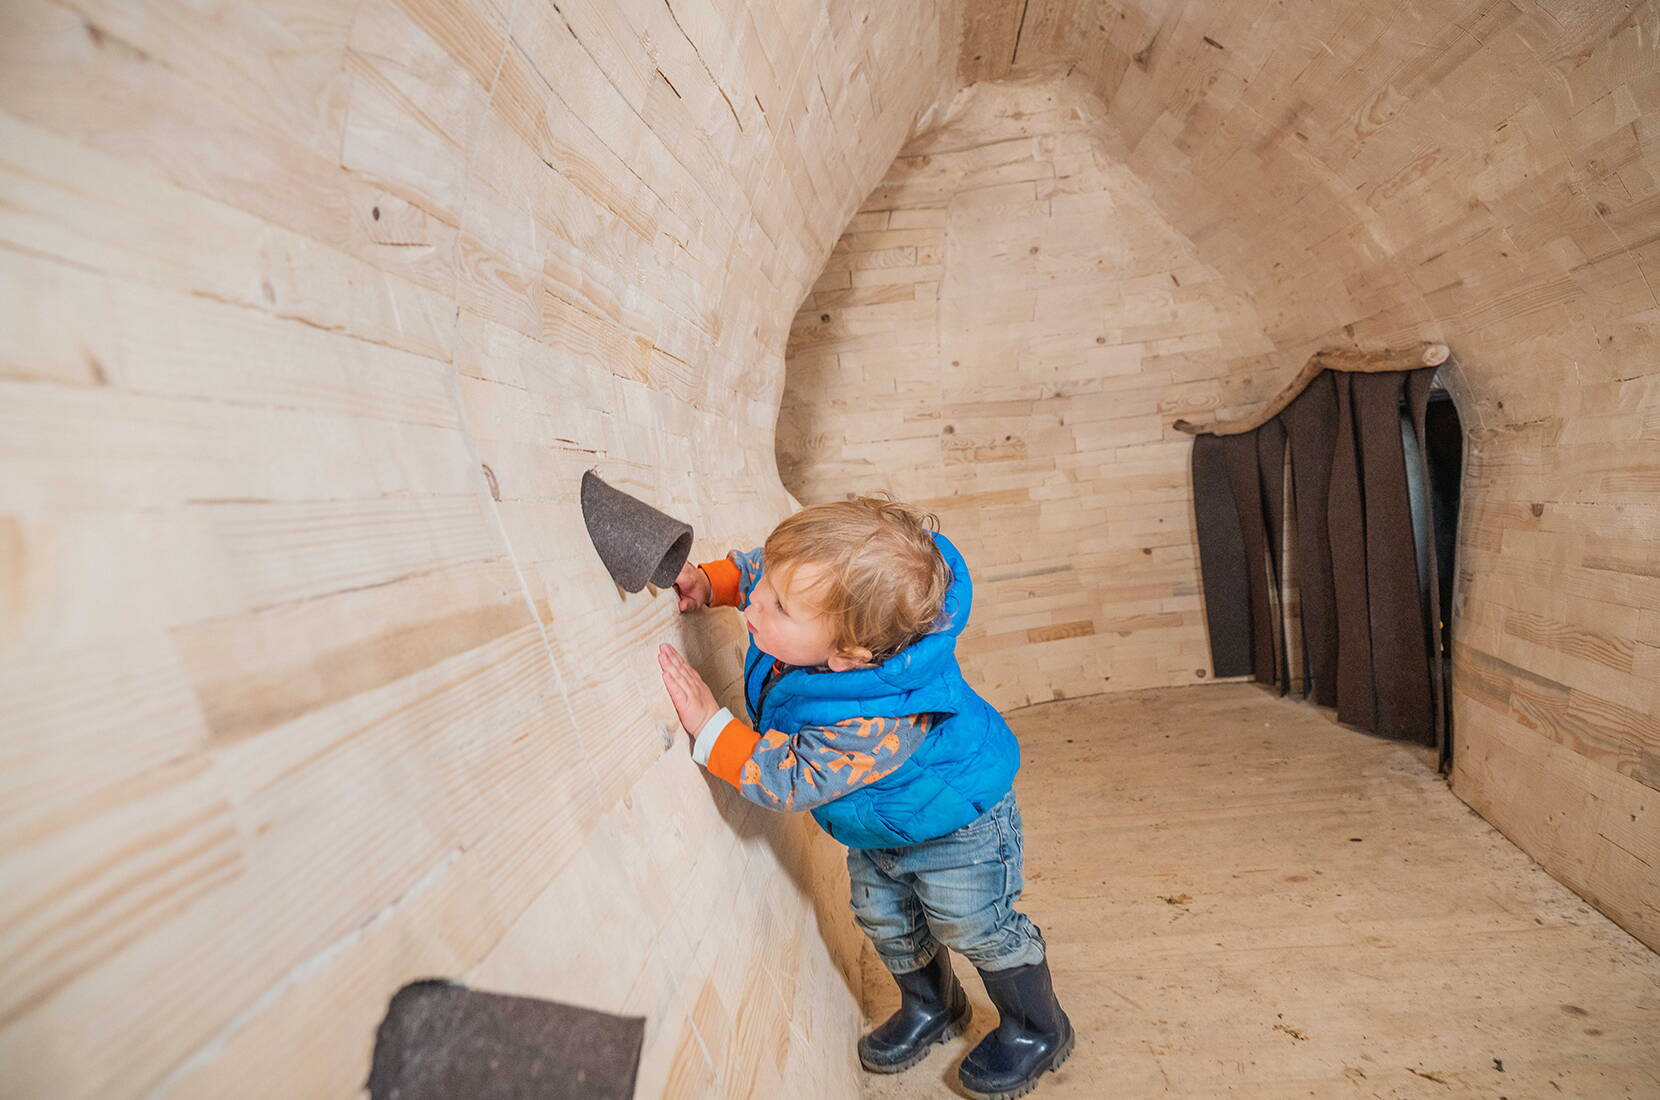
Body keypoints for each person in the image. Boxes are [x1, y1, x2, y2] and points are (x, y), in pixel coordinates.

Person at [656, 496, 1074, 1098]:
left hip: (958, 829)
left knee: (974, 923)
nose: (757, 602)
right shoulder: (826, 612)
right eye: (765, 590)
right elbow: (768, 570)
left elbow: (788, 778)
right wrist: (713, 580)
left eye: (777, 606)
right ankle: (935, 1005)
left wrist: (710, 727)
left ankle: (1039, 1028)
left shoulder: (874, 720)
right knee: (885, 917)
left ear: (846, 657)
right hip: (878, 825)